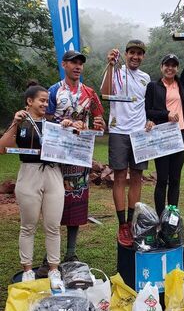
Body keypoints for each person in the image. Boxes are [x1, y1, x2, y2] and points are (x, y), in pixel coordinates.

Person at [0, 82, 65, 289]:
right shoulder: (21, 122)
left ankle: (54, 269)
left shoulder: (53, 124)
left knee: (53, 226)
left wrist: (72, 128)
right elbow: (3, 148)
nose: (46, 104)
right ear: (29, 101)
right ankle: (27, 270)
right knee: (28, 226)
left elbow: (71, 145)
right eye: (42, 100)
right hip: (29, 174)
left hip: (53, 173)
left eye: (47, 101)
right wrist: (14, 123)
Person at [45, 50, 105, 263]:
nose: (78, 66)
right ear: (64, 65)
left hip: (79, 156)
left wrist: (96, 126)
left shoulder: (90, 93)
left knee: (76, 202)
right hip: (57, 155)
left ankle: (71, 253)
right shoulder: (53, 91)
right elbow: (46, 122)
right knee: (53, 202)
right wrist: (62, 124)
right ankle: (49, 256)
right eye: (73, 62)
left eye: (80, 63)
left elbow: (100, 123)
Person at [145, 22, 184, 217]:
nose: (170, 68)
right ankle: (160, 217)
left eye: (173, 65)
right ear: (161, 67)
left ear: (176, 69)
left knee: (175, 179)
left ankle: (172, 217)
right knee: (162, 179)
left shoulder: (181, 83)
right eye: (167, 65)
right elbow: (149, 110)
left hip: (180, 134)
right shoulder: (153, 86)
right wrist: (165, 115)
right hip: (162, 135)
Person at [101, 40, 152, 247]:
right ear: (126, 53)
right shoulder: (115, 70)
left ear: (143, 57)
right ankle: (122, 224)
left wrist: (151, 120)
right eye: (132, 52)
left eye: (139, 54)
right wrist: (111, 65)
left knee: (137, 178)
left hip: (140, 134)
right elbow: (104, 93)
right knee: (120, 177)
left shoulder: (145, 78)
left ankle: (132, 222)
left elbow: (148, 104)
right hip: (119, 131)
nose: (135, 57)